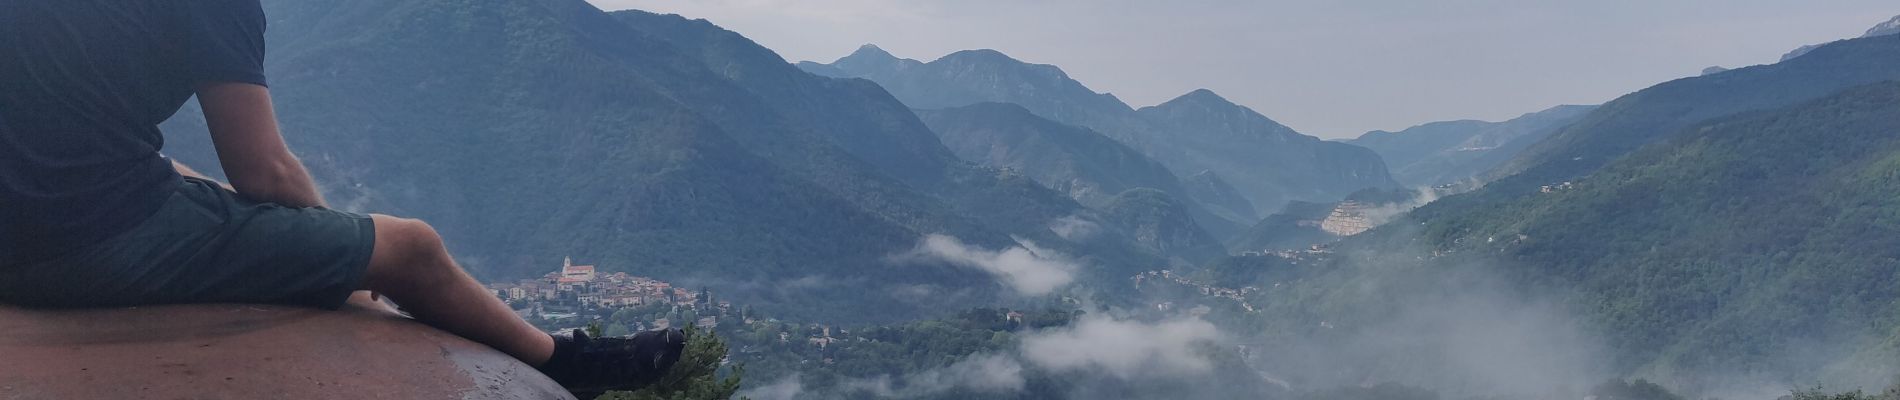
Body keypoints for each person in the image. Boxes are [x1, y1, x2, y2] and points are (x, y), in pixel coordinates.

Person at [0, 1, 681, 397]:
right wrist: (349, 253)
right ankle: (570, 363)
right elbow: (264, 172)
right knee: (411, 247)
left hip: (19, 220)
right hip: (85, 244)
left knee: (182, 174)